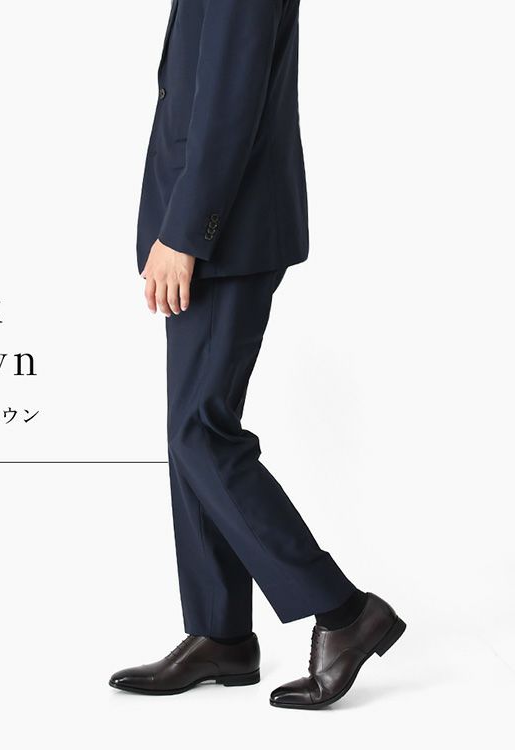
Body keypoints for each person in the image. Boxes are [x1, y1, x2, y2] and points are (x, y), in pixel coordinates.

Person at [109, 0, 405, 709]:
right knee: (191, 431)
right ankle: (221, 634)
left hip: (225, 232)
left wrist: (187, 233)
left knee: (200, 432)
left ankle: (344, 611)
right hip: (215, 224)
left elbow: (231, 94)